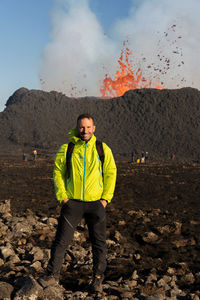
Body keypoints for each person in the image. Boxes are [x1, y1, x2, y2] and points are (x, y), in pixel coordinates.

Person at [39, 113, 117, 293]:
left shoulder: (102, 148)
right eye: (82, 127)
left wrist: (105, 199)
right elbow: (58, 172)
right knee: (61, 241)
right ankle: (53, 277)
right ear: (77, 127)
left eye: (88, 127)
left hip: (96, 204)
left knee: (99, 243)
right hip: (72, 203)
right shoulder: (68, 148)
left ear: (94, 128)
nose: (85, 131)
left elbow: (111, 173)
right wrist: (63, 198)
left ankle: (97, 280)